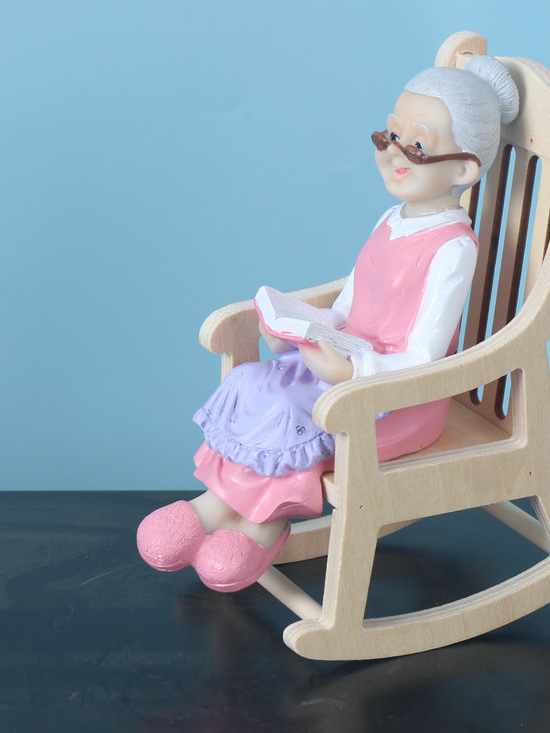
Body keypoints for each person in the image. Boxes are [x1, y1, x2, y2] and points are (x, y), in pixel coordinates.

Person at [137, 55, 520, 592]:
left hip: (395, 396)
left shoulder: (453, 247)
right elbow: (349, 305)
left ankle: (260, 526)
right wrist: (300, 324)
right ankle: (213, 506)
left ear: (463, 171)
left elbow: (424, 356)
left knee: (291, 410)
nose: (394, 153)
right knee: (251, 382)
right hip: (342, 364)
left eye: (416, 145)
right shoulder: (392, 220)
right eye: (390, 135)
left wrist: (351, 371)